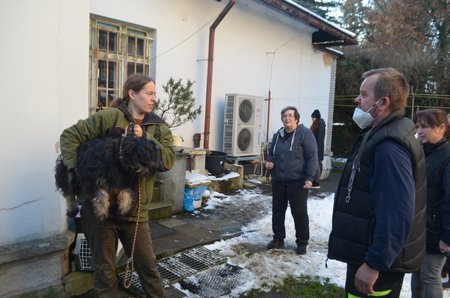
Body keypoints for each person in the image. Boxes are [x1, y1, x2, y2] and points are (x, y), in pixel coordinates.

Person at [59, 73, 175, 297]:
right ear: (132, 94)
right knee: (104, 272)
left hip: (135, 212)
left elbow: (168, 161)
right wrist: (78, 173)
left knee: (148, 269)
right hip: (100, 212)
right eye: (149, 93)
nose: (153, 99)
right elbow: (69, 136)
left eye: (155, 94)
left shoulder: (158, 128)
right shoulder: (111, 117)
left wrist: (145, 139)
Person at [327, 68, 427, 297]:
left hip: (377, 266)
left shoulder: (390, 147)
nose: (357, 99)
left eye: (363, 94)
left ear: (382, 102)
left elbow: (397, 212)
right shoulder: (381, 132)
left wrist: (375, 263)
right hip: (369, 253)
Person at [265, 106, 318, 255]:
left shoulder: (305, 134)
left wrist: (309, 177)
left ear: (296, 119)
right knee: (278, 211)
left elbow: (312, 157)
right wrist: (270, 161)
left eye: (290, 115)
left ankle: (302, 242)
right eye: (284, 116)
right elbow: (272, 153)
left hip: (297, 181)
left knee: (299, 212)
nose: (287, 118)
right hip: (279, 180)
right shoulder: (278, 135)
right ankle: (278, 239)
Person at [410, 109, 450, 298]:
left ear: (442, 128)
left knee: (430, 275)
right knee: (416, 272)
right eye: (418, 126)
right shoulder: (423, 152)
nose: (420, 131)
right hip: (420, 229)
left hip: (436, 232)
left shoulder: (447, 157)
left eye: (425, 126)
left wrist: (447, 235)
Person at [310, 109, 326, 188]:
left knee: (317, 165)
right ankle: (314, 181)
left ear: (317, 117)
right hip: (314, 147)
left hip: (317, 148)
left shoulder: (320, 124)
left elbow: (320, 138)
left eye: (313, 118)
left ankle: (316, 182)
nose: (312, 119)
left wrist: (316, 148)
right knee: (314, 164)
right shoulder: (315, 124)